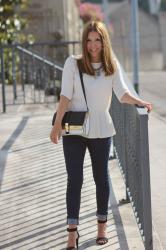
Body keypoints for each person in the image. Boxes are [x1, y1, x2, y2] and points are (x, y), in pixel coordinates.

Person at [50, 20, 152, 249]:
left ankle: (101, 227)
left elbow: (122, 94)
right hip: (75, 129)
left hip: (101, 127)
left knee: (101, 179)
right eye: (89, 40)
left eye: (98, 40)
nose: (93, 45)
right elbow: (65, 97)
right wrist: (56, 125)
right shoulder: (72, 63)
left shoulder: (111, 65)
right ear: (84, 41)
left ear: (104, 41)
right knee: (74, 179)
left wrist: (140, 101)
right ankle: (71, 232)